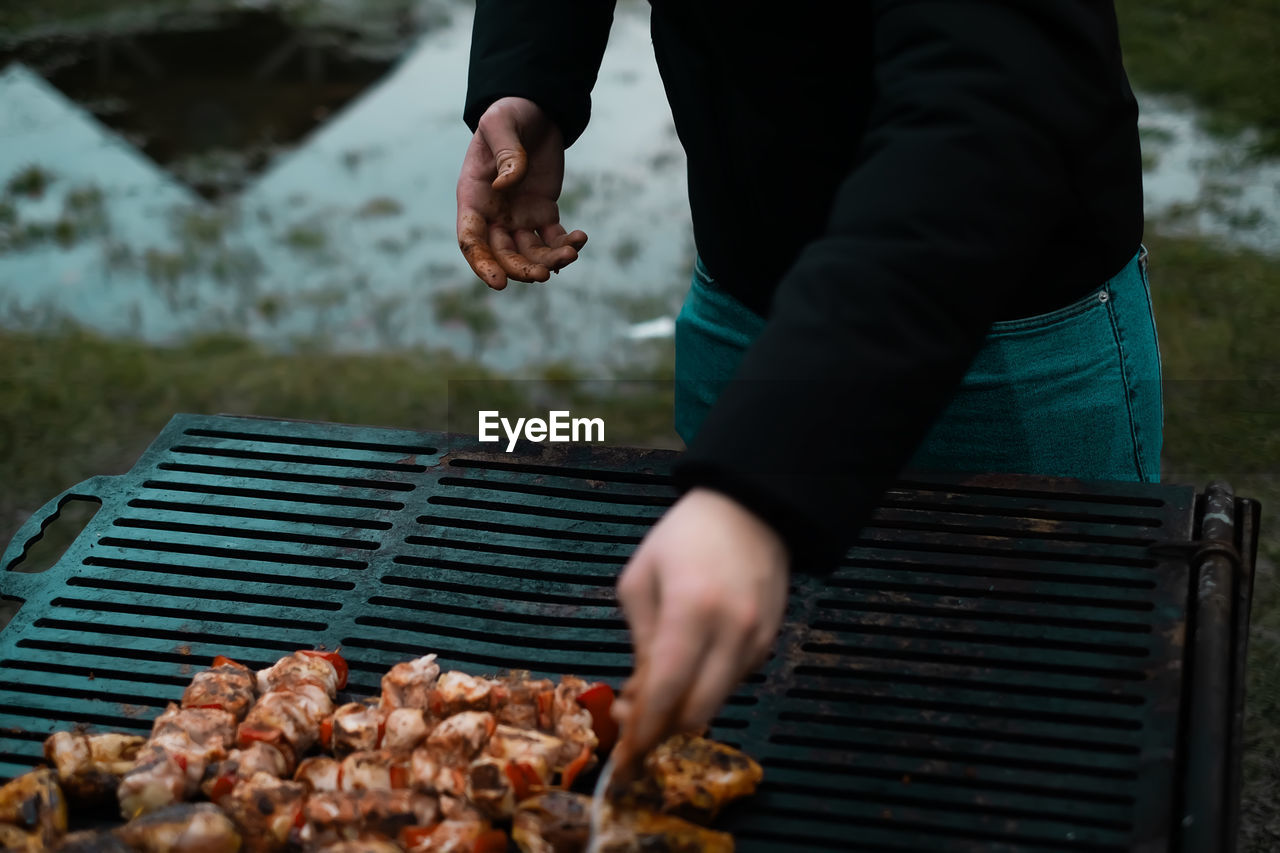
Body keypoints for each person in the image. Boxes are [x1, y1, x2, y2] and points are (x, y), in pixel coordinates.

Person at [454, 1, 1161, 773]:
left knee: (1040, 741)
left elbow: (994, 95)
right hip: (743, 278)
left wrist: (764, 475)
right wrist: (529, 78)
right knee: (787, 733)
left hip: (997, 331)